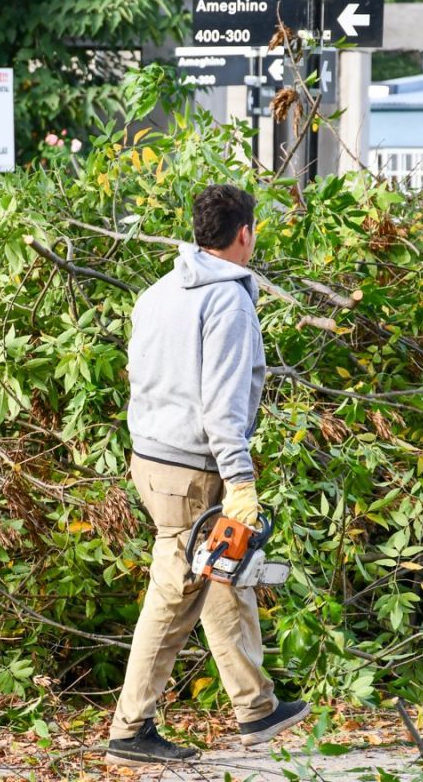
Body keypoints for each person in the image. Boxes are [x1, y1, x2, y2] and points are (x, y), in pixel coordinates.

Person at [106, 184, 309, 765]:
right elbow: (223, 405)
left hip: (152, 458)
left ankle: (256, 706)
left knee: (225, 570)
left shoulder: (159, 291)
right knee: (175, 595)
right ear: (245, 233)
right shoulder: (228, 303)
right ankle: (130, 729)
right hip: (192, 469)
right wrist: (240, 480)